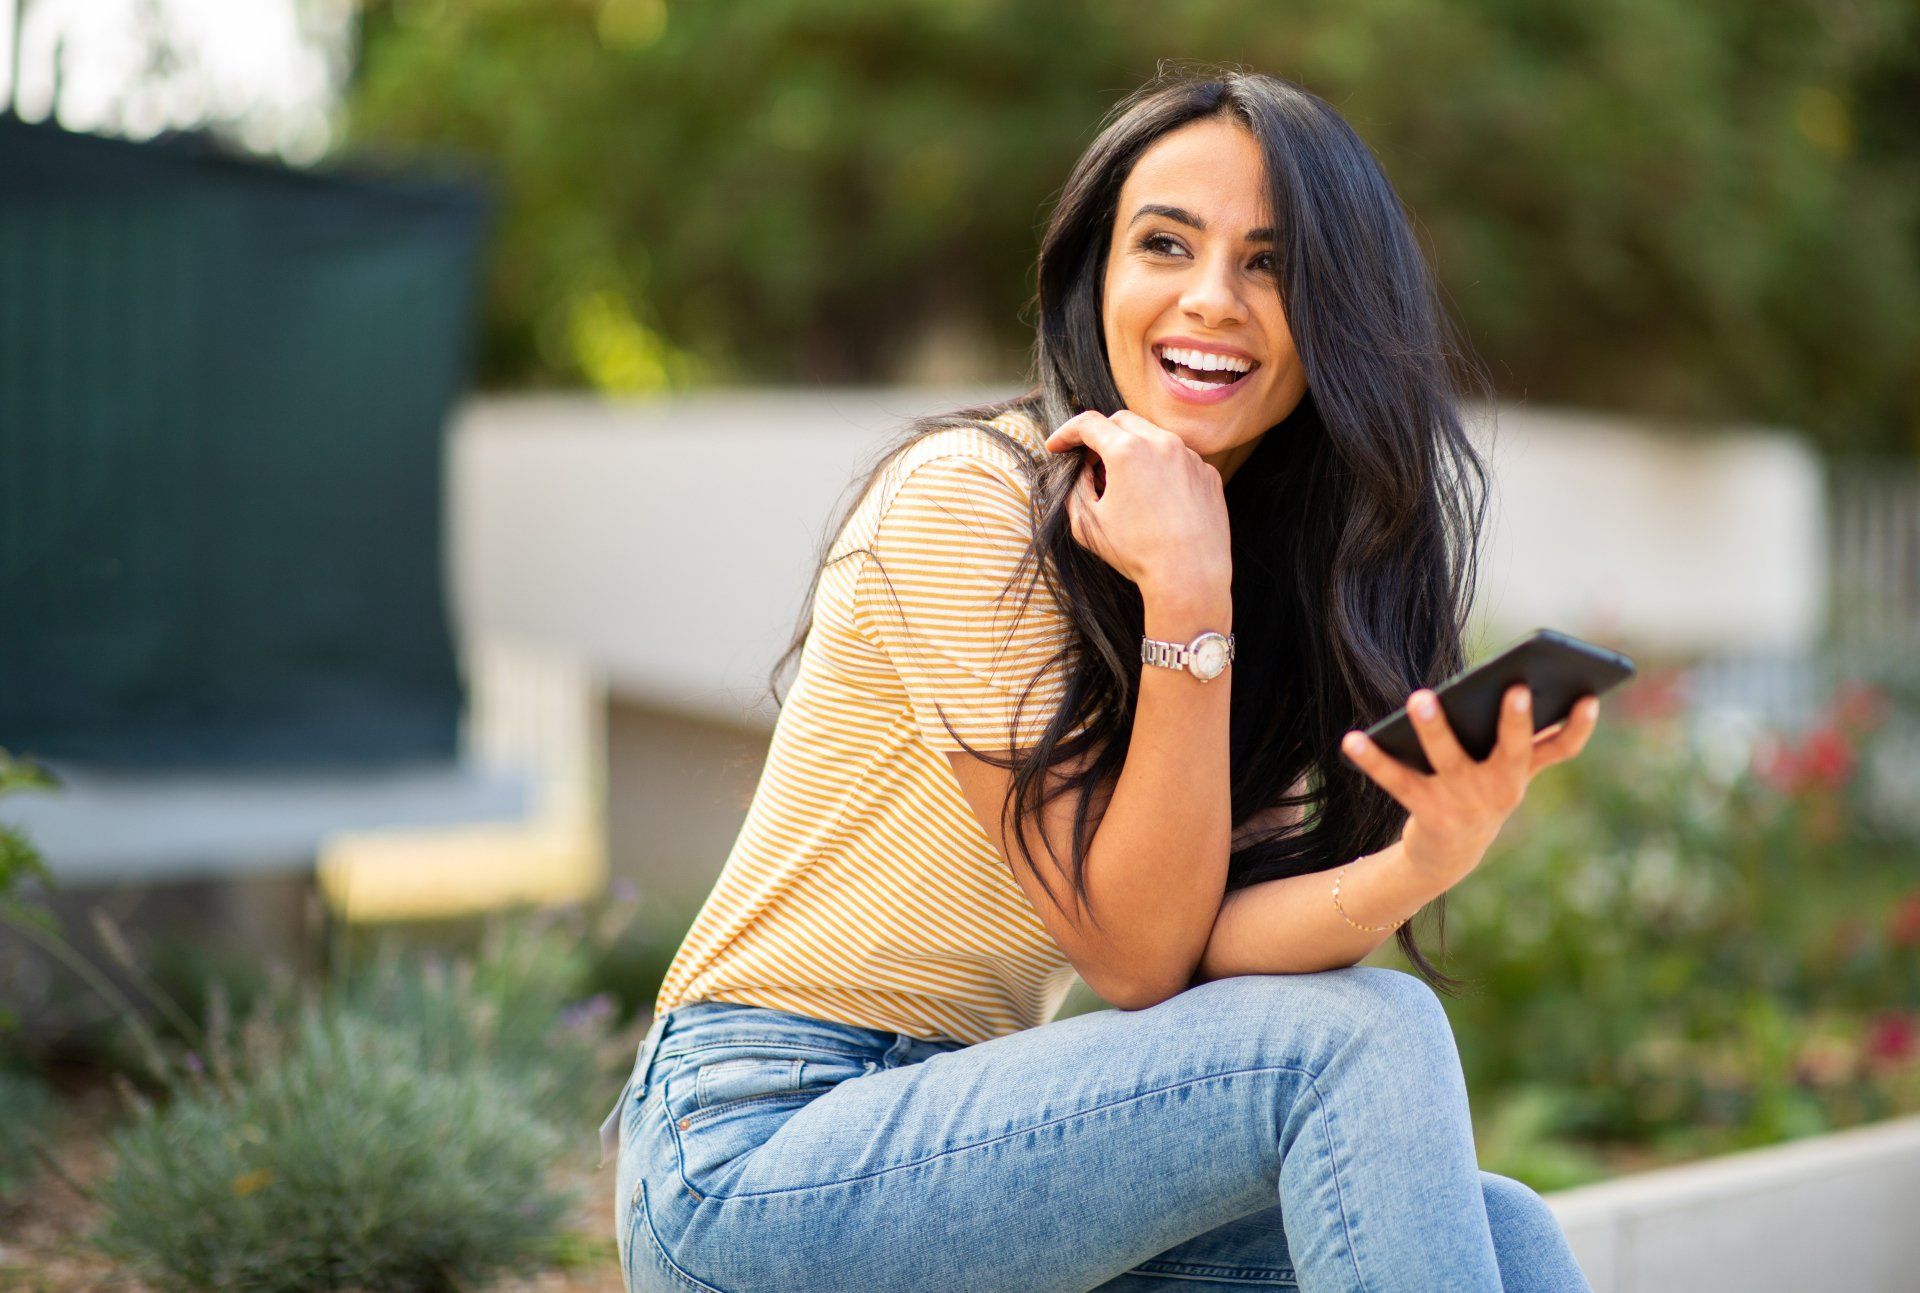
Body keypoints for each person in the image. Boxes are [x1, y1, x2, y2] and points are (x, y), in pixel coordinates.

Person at [602, 65, 1600, 1293]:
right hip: (754, 1159)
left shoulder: (1250, 576)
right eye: (1164, 244)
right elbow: (1133, 956)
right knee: (1371, 1032)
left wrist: (1423, 858)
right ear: (1098, 277)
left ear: (1339, 313)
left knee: (1513, 1238)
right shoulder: (972, 499)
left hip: (965, 1148)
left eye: (1271, 264)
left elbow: (1202, 944)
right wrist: (1189, 604)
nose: (1210, 299)